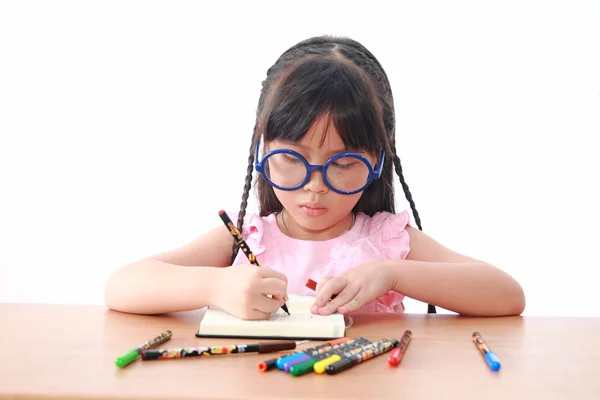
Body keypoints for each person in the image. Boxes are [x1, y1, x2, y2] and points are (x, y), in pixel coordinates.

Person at [104, 35, 525, 320]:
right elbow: (122, 286)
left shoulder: (388, 240)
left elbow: (507, 295)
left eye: (342, 164)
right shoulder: (247, 236)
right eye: (292, 158)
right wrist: (216, 286)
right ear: (261, 150)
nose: (315, 186)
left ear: (377, 160)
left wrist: (394, 275)